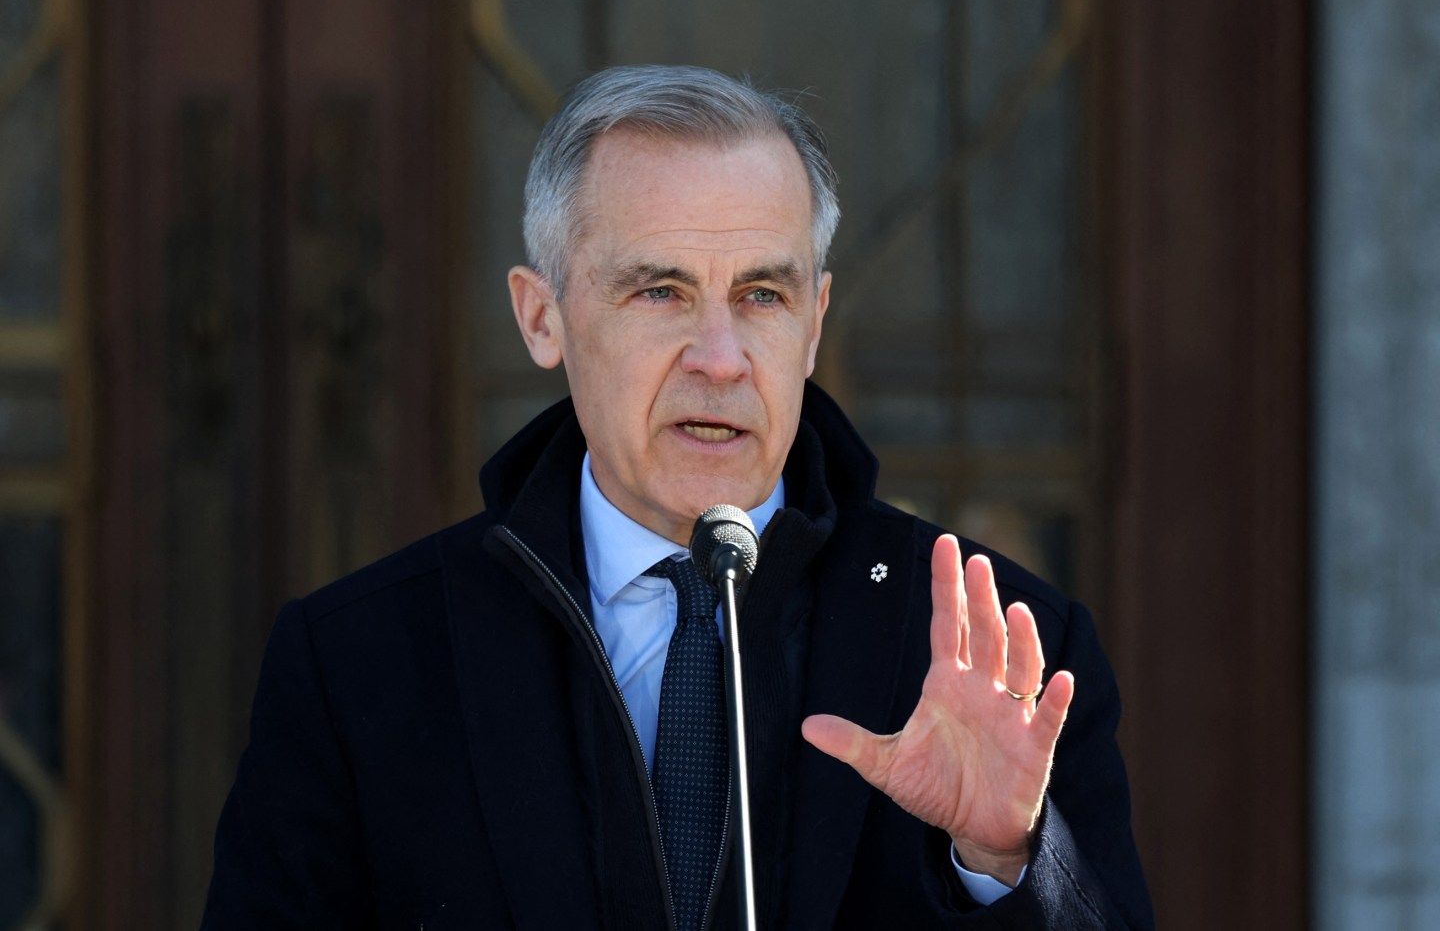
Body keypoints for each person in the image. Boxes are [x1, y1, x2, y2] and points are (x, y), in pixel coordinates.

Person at [203, 64, 1152, 929]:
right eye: (659, 291)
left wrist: (1002, 862)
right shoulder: (360, 666)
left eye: (762, 296)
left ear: (815, 323)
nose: (721, 358)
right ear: (543, 316)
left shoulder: (1006, 652)